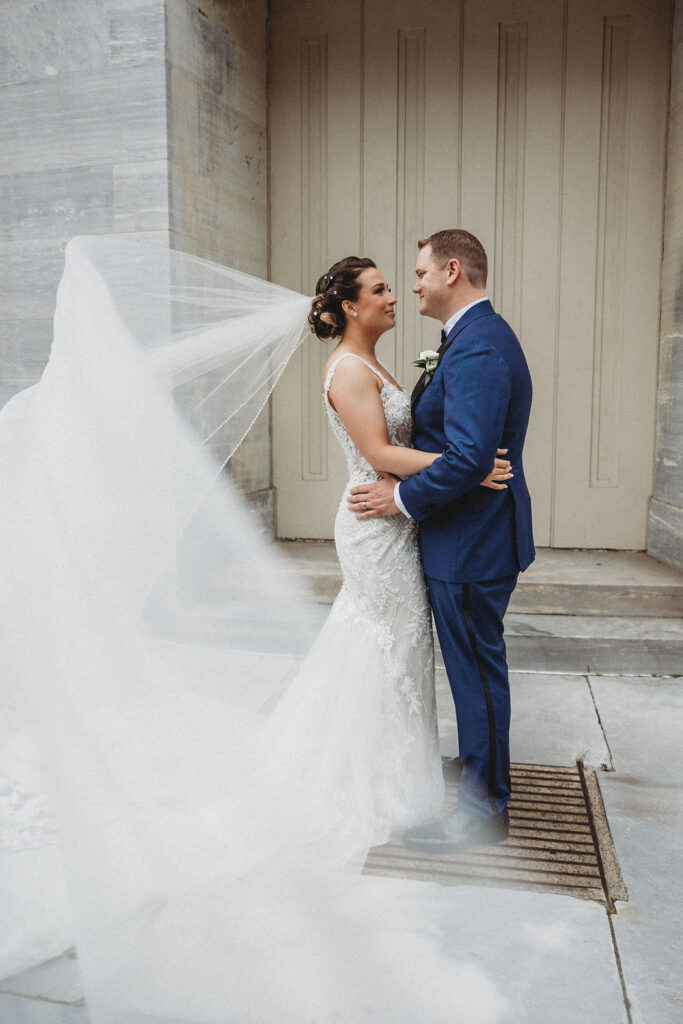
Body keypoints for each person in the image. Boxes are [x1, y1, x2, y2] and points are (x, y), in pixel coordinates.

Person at [347, 229, 535, 853]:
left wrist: (399, 498)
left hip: (470, 544)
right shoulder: (473, 339)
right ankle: (484, 778)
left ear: (453, 271)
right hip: (466, 540)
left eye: (421, 272)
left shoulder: (478, 347)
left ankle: (482, 812)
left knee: (476, 678)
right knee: (475, 674)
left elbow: (469, 457)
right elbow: (465, 453)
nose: (415, 285)